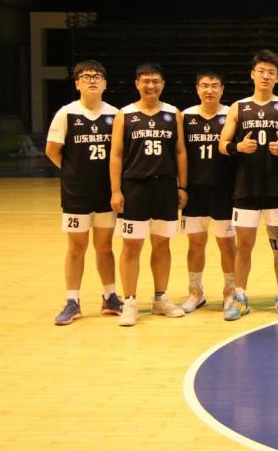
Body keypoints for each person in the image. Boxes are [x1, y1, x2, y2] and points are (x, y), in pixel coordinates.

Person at [219, 50, 278, 321]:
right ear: (252, 74)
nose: (266, 76)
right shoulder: (238, 107)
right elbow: (222, 144)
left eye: (271, 72)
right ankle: (239, 297)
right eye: (261, 71)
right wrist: (238, 147)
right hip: (245, 189)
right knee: (244, 246)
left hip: (276, 189)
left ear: (277, 78)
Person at [109, 62, 188, 327]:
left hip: (164, 187)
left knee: (162, 244)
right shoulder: (125, 114)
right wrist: (116, 190)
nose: (151, 85)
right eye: (146, 81)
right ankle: (130, 301)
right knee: (131, 245)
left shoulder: (173, 113)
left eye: (155, 81)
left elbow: (180, 151)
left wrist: (182, 186)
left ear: (162, 84)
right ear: (137, 84)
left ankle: (160, 298)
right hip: (134, 187)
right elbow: (116, 154)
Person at [45, 59, 123, 325]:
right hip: (76, 194)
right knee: (76, 247)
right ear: (77, 83)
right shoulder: (66, 113)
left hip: (106, 193)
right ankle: (72, 301)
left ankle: (110, 297)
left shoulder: (115, 114)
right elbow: (52, 151)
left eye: (97, 76)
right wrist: (73, 173)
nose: (92, 80)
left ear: (105, 84)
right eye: (86, 76)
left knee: (105, 247)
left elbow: (120, 154)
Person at [179, 71, 236, 313]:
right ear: (197, 89)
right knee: (195, 243)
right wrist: (181, 187)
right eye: (204, 85)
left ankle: (230, 291)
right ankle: (195, 292)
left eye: (214, 86)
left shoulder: (231, 114)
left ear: (222, 89)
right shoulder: (186, 116)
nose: (209, 90)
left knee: (226, 243)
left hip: (224, 190)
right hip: (195, 191)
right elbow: (179, 152)